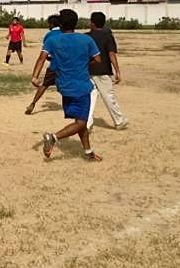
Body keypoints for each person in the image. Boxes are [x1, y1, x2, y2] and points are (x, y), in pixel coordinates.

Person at [30, 9, 102, 161]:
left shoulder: (53, 40)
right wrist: (84, 62)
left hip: (63, 86)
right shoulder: (86, 40)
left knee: (79, 122)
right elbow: (98, 60)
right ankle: (53, 137)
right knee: (82, 122)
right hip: (81, 86)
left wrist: (35, 77)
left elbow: (42, 58)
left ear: (60, 25)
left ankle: (88, 152)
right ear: (76, 23)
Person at [86, 12, 128, 130]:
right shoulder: (107, 36)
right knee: (109, 97)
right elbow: (111, 54)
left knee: (90, 97)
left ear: (92, 23)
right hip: (103, 70)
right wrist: (117, 71)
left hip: (89, 70)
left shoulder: (86, 36)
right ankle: (119, 121)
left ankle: (87, 123)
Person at [25, 15, 60, 115]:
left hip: (54, 65)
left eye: (48, 23)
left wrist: (35, 76)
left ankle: (32, 104)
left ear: (52, 24)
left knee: (44, 85)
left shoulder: (49, 35)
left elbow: (44, 56)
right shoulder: (65, 33)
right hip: (68, 65)